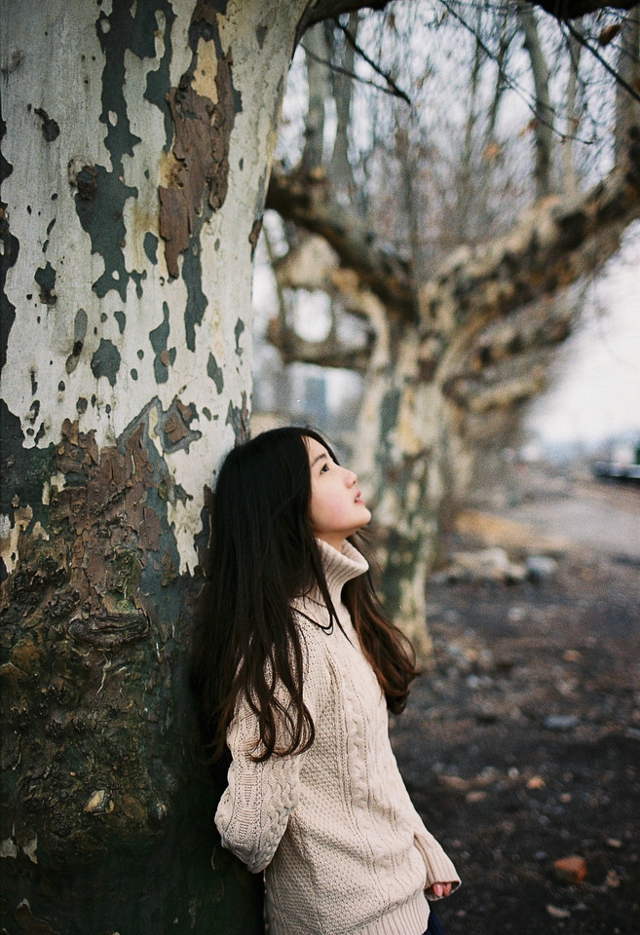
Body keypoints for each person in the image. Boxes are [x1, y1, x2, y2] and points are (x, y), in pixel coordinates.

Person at [191, 426, 460, 935]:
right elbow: (249, 832)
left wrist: (422, 849)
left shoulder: (337, 609)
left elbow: (369, 764)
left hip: (408, 906)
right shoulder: (283, 649)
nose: (349, 475)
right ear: (283, 505)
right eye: (324, 469)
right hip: (347, 923)